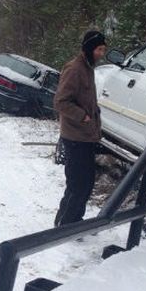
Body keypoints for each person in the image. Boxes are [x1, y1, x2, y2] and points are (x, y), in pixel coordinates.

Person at [53, 29, 107, 226]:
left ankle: (74, 222)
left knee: (86, 184)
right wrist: (82, 116)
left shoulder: (88, 68)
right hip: (75, 137)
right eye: (99, 49)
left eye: (103, 49)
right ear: (89, 48)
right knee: (77, 185)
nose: (102, 53)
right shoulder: (74, 69)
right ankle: (63, 225)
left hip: (86, 137)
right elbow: (60, 102)